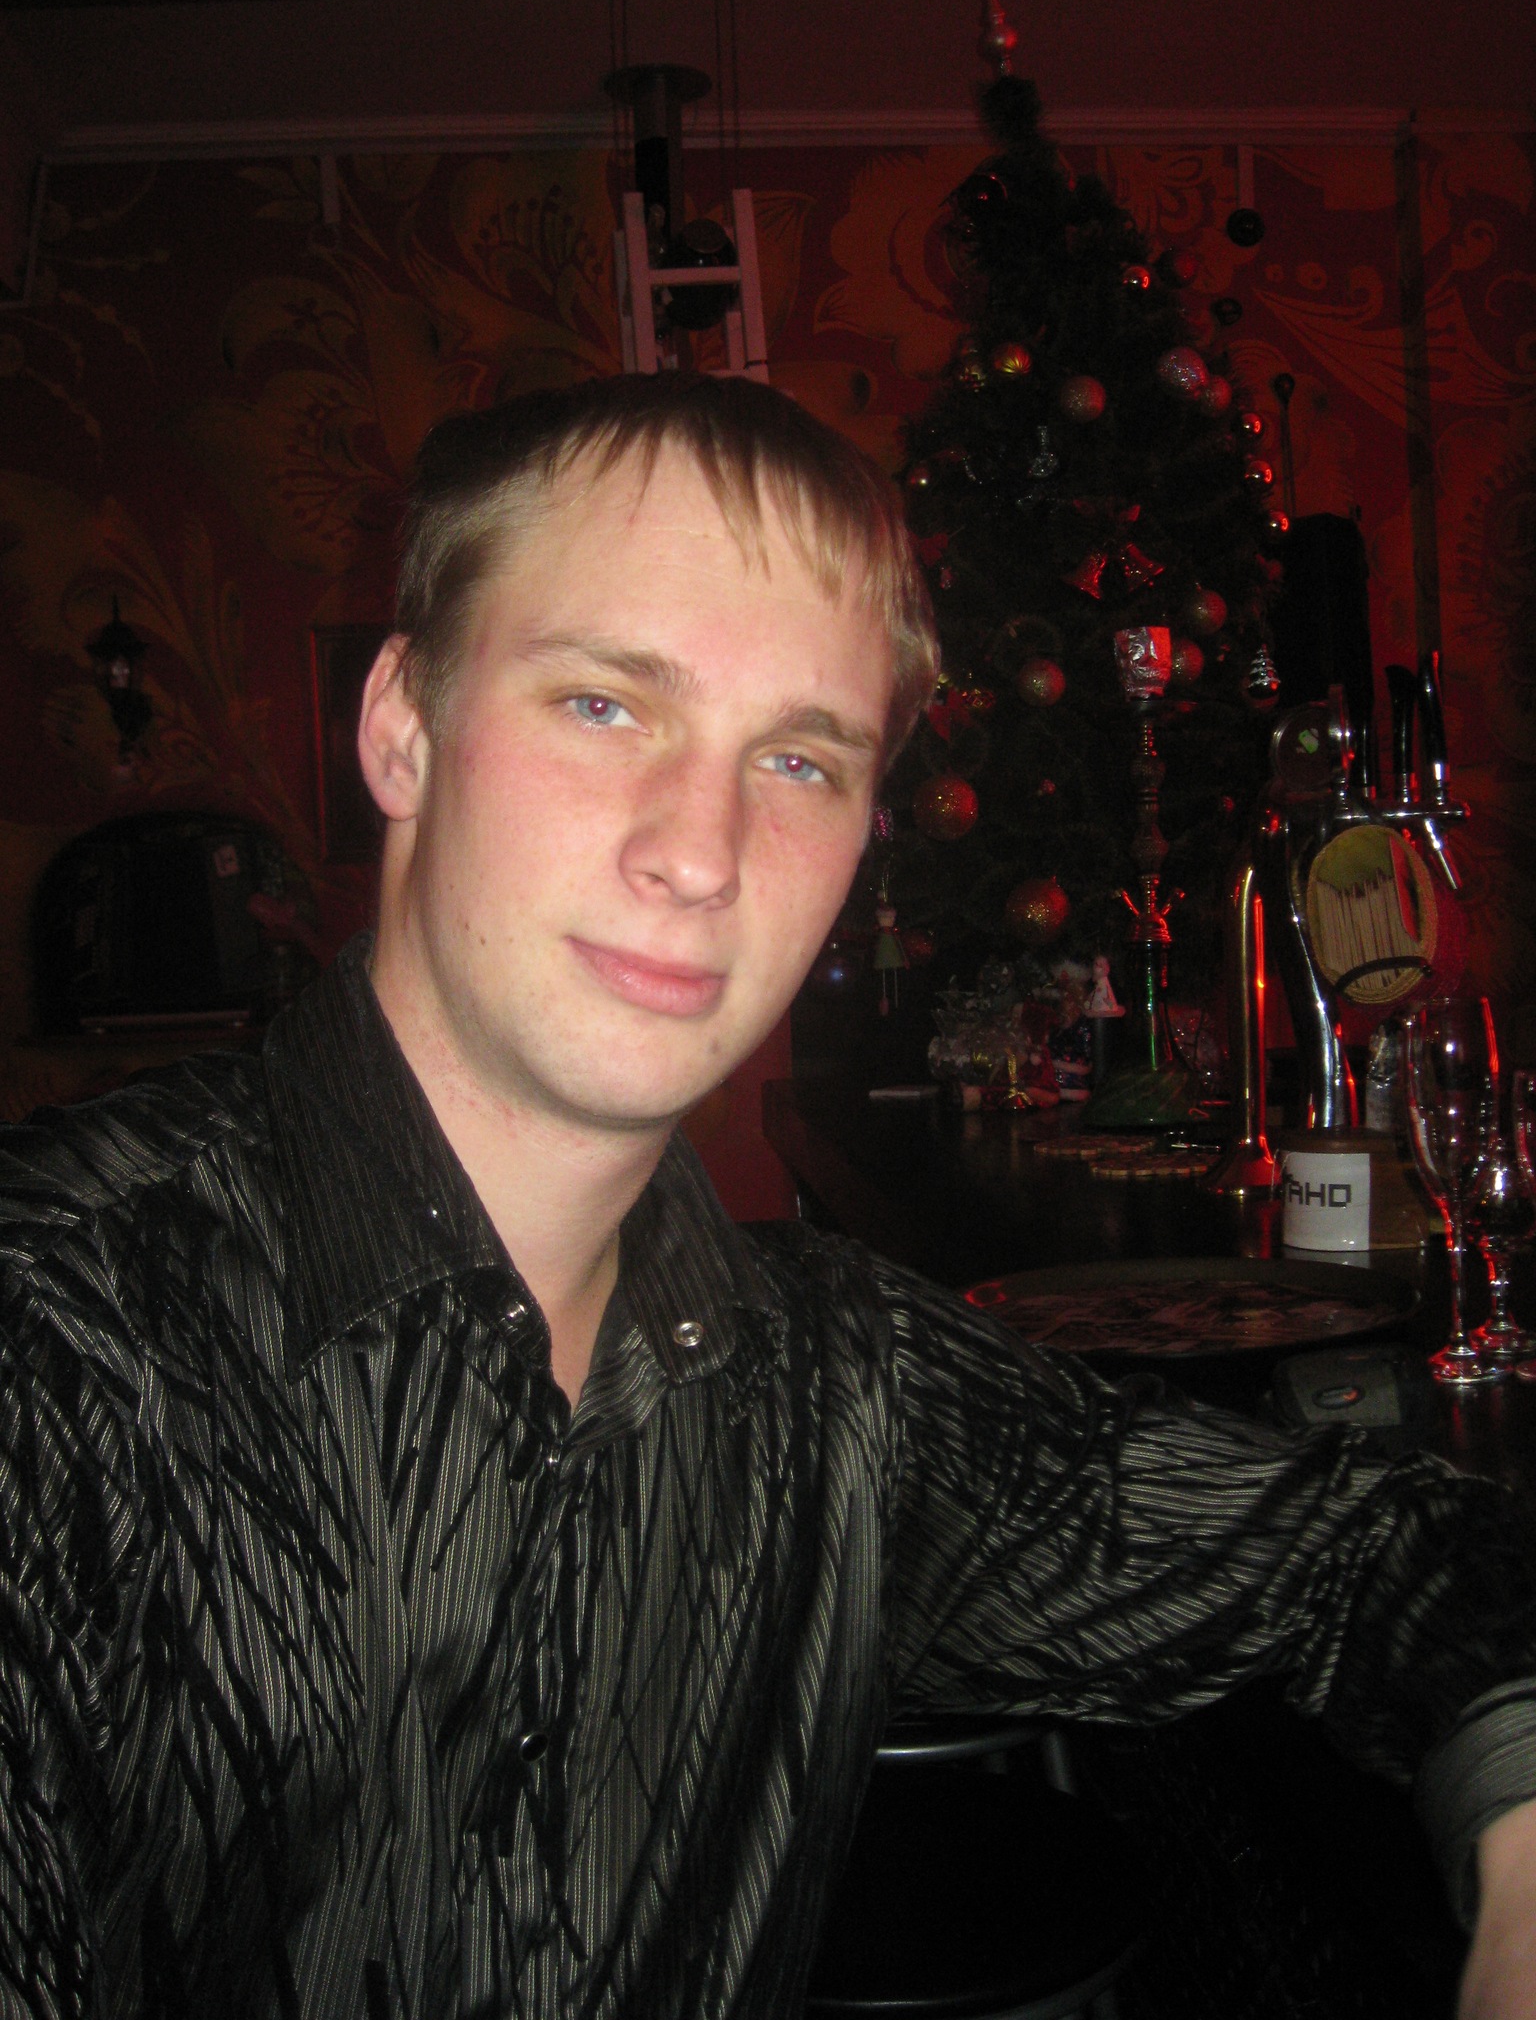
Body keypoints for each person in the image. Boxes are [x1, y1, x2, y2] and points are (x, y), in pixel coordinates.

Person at [0, 373, 1534, 2020]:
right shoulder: (59, 1349)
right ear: (403, 726)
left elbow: (1381, 1550)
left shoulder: (835, 1388)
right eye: (604, 705)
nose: (702, 849)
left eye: (797, 758)